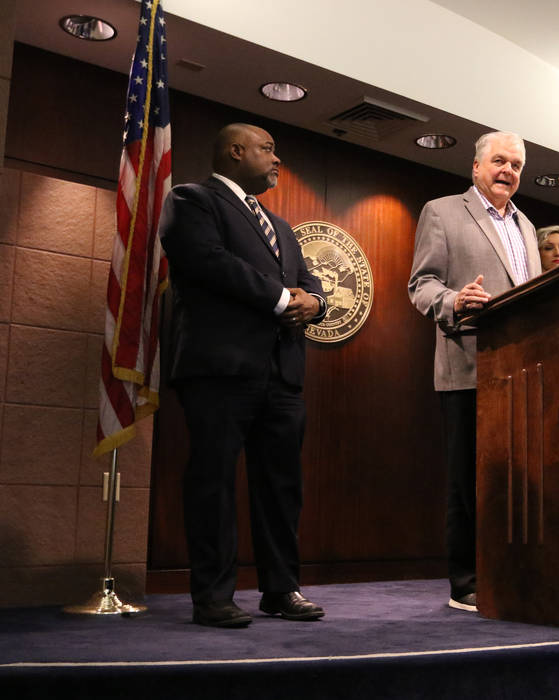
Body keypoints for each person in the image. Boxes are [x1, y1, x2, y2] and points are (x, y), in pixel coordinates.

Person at [159, 123, 328, 628]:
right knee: (213, 482)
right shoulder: (191, 200)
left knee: (281, 487)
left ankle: (281, 589)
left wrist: (314, 301)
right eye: (268, 149)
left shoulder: (281, 224)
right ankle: (212, 597)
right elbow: (207, 262)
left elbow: (308, 283)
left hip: (282, 372)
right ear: (235, 151)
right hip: (220, 368)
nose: (278, 160)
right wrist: (282, 299)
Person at [408, 131, 540, 612]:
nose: (509, 171)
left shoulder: (527, 226)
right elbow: (420, 285)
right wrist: (454, 300)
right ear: (477, 167)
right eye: (500, 162)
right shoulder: (442, 211)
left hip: (524, 370)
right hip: (468, 367)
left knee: (517, 482)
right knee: (469, 482)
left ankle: (511, 574)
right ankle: (466, 582)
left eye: (517, 166)